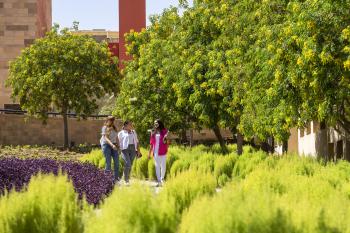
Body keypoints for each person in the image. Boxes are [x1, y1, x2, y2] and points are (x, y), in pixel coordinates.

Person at [118, 120, 140, 185]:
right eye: (130, 124)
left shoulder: (133, 132)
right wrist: (119, 149)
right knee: (128, 163)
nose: (131, 125)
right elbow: (118, 142)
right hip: (125, 149)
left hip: (133, 148)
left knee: (130, 164)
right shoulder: (121, 133)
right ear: (125, 125)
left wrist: (138, 151)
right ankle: (126, 180)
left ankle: (125, 177)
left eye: (131, 124)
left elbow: (137, 141)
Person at [148, 119, 169, 187]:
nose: (155, 124)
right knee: (157, 166)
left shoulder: (165, 131)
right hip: (156, 151)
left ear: (160, 123)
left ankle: (162, 178)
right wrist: (149, 153)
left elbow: (167, 141)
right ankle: (159, 181)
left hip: (163, 151)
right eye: (154, 123)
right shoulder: (153, 131)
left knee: (163, 166)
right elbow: (151, 143)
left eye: (156, 123)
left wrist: (166, 139)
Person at [100, 116, 119, 182]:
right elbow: (106, 138)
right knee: (108, 163)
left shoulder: (115, 128)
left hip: (114, 145)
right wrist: (112, 145)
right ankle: (107, 179)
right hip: (106, 145)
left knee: (117, 162)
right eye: (111, 120)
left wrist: (118, 146)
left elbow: (117, 138)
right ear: (107, 120)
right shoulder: (104, 128)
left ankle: (116, 179)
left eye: (113, 120)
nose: (112, 121)